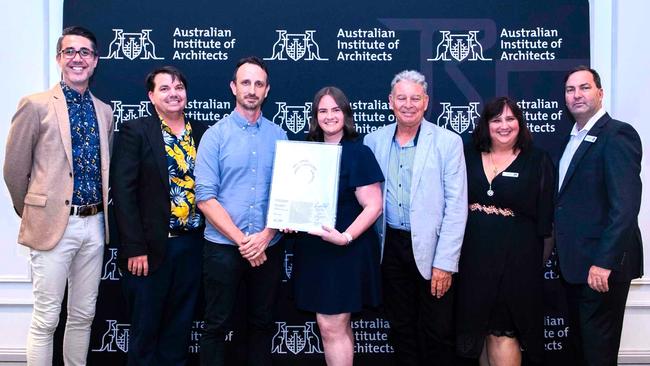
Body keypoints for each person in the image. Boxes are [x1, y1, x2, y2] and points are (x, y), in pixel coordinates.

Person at [3, 26, 113, 365]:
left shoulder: (105, 112)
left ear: (95, 61)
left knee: (83, 315)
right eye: (70, 52)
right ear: (59, 59)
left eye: (85, 53)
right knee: (46, 318)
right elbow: (13, 169)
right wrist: (36, 212)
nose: (77, 59)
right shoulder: (34, 105)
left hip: (94, 225)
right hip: (52, 225)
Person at [364, 70, 467, 365]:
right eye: (401, 98)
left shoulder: (447, 142)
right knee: (401, 329)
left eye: (415, 98)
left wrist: (445, 263)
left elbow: (456, 206)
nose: (408, 104)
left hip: (433, 250)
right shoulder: (374, 141)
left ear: (426, 103)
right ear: (390, 102)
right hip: (390, 248)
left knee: (437, 332)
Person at [110, 66, 207, 365]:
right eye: (164, 88)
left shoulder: (203, 132)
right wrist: (135, 248)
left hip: (192, 247)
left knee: (179, 330)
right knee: (145, 330)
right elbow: (123, 193)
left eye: (178, 87)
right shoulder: (135, 131)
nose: (173, 93)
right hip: (150, 249)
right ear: (151, 96)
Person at [194, 56, 287, 366]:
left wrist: (265, 236)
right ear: (234, 87)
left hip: (267, 246)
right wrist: (244, 242)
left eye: (258, 83)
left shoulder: (279, 136)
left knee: (261, 324)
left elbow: (285, 195)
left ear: (267, 90)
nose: (252, 89)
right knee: (216, 325)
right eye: (245, 82)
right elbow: (205, 198)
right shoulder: (214, 136)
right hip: (222, 248)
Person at [455, 97, 554, 366]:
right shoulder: (467, 154)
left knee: (503, 332)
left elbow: (546, 221)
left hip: (516, 263)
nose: (504, 125)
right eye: (496, 119)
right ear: (486, 125)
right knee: (482, 331)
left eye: (510, 119)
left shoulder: (538, 160)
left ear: (520, 124)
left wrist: (533, 266)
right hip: (472, 261)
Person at [555, 66, 643, 366]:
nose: (577, 95)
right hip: (576, 267)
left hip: (600, 270)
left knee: (597, 355)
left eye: (584, 87)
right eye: (570, 90)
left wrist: (604, 262)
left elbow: (626, 207)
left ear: (600, 93)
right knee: (581, 352)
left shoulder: (617, 135)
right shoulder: (573, 140)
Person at [291, 86, 383, 366]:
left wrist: (346, 237)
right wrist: (289, 220)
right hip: (315, 252)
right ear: (315, 116)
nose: (330, 116)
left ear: (346, 114)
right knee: (332, 326)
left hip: (345, 251)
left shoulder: (359, 153)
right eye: (323, 111)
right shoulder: (305, 151)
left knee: (332, 326)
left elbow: (374, 205)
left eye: (335, 110)